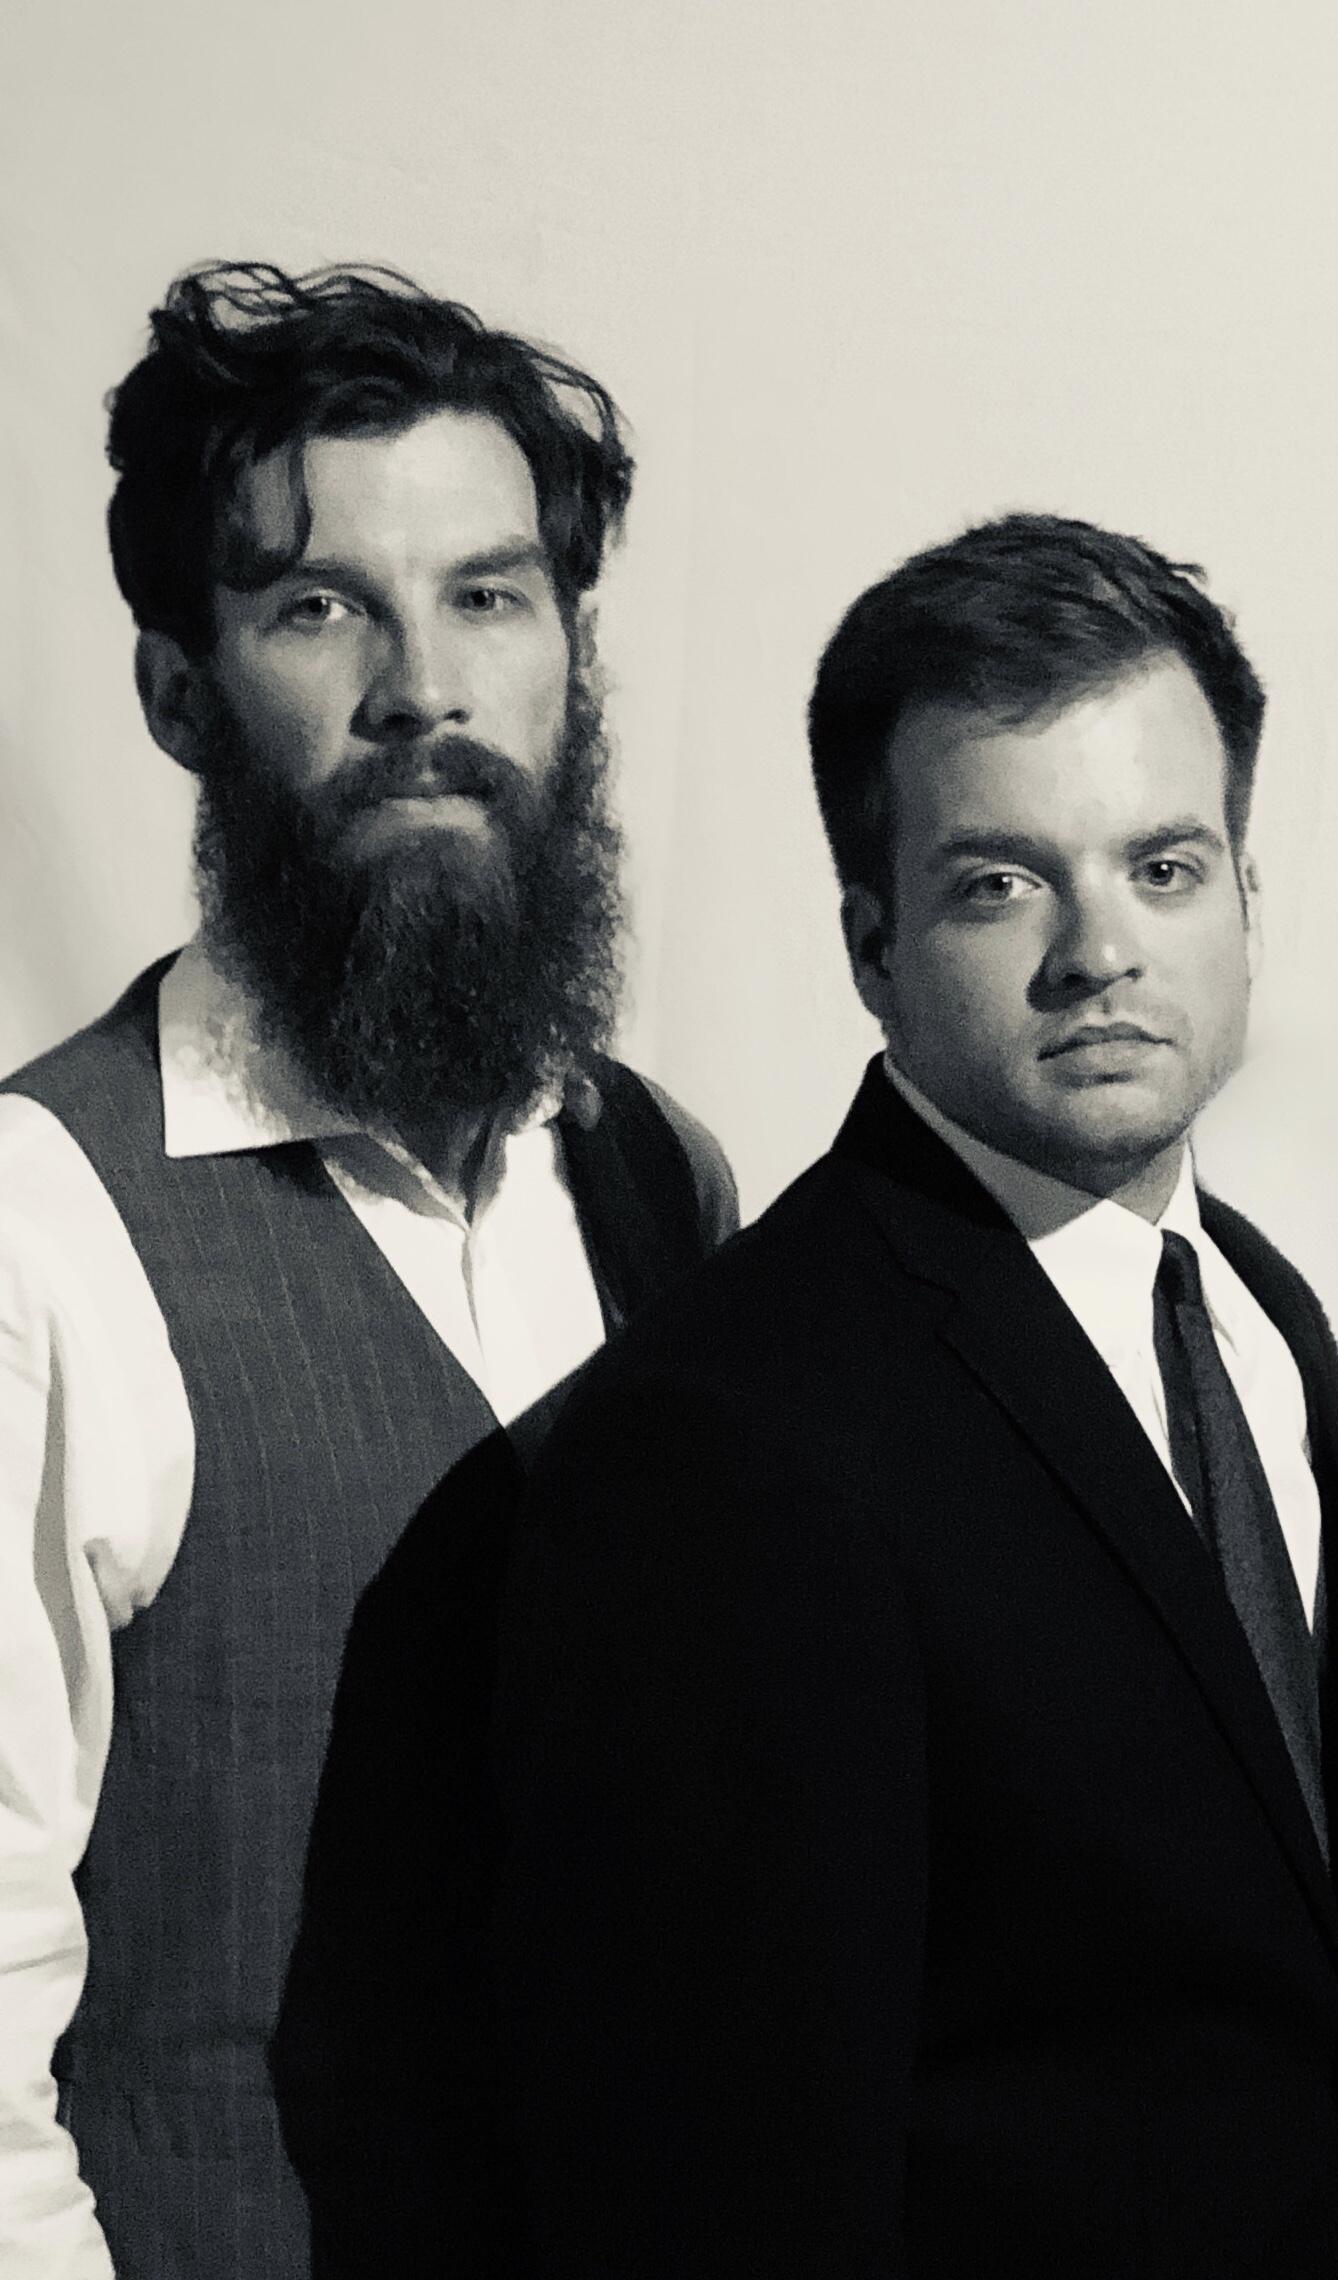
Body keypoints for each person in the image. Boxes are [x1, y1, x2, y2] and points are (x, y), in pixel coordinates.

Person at [487, 514, 1338, 2274]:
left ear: (1246, 897)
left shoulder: (1262, 1314)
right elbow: (712, 2175)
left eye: (1164, 868)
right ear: (871, 941)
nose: (1099, 952)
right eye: (1000, 883)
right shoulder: (726, 1434)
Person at [0, 261, 735, 2279]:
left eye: (489, 595)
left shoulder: (664, 1180)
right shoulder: (40, 1224)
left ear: (574, 657)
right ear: (177, 692)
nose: (426, 690)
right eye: (321, 608)